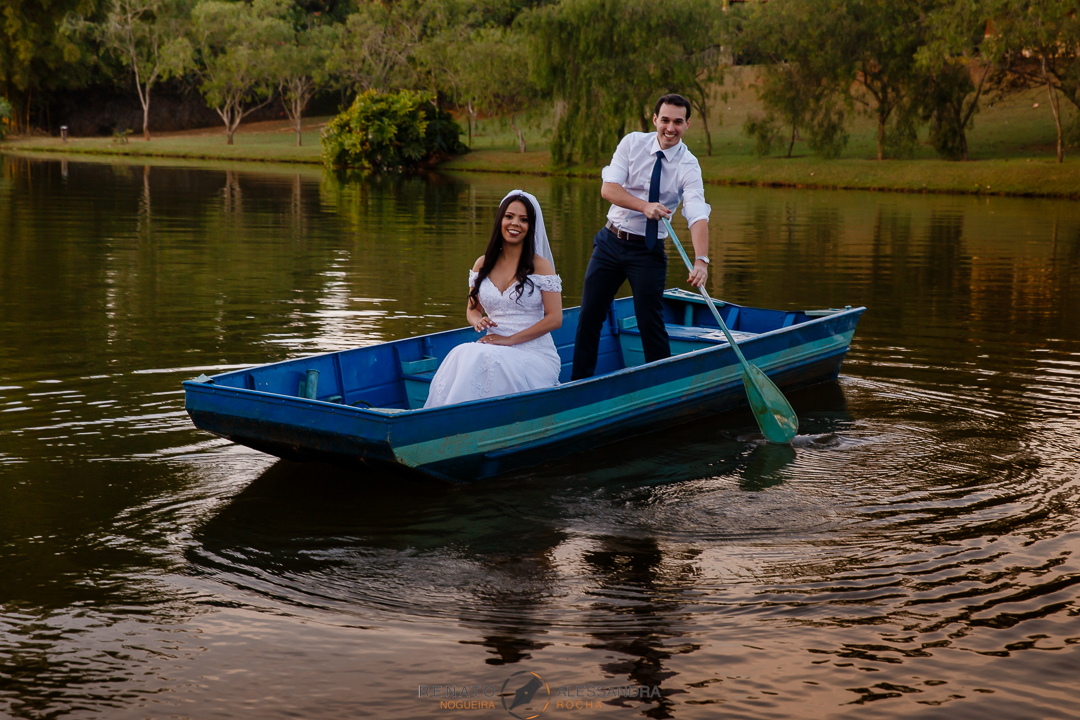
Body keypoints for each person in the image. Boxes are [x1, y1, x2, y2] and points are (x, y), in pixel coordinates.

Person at [570, 93, 712, 380]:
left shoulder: (689, 165)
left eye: (678, 122)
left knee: (651, 323)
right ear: (654, 119)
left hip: (647, 252)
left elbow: (697, 213)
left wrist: (701, 260)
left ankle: (658, 385)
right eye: (665, 120)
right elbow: (608, 189)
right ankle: (579, 383)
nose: (670, 128)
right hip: (610, 243)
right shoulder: (632, 143)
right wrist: (644, 206)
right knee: (589, 317)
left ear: (687, 124)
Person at [423, 190, 563, 408]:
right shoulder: (483, 263)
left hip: (534, 353)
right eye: (509, 216)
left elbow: (555, 319)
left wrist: (509, 340)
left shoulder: (541, 266)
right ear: (500, 220)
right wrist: (477, 321)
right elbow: (472, 309)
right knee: (461, 353)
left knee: (482, 358)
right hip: (491, 346)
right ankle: (444, 418)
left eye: (523, 219)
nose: (515, 223)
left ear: (531, 227)